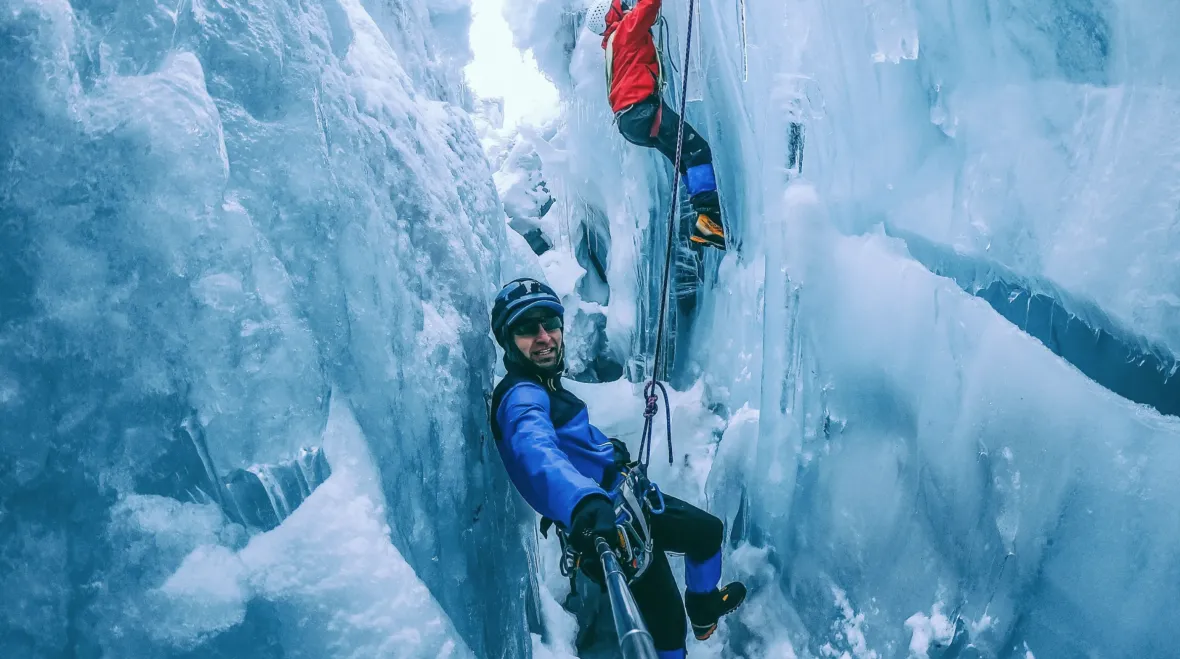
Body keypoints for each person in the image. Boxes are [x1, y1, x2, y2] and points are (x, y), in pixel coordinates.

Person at [488, 278, 746, 658]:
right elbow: (535, 451)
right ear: (508, 340)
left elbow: (567, 443)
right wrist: (582, 501)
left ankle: (703, 610)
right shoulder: (521, 396)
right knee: (667, 628)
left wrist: (608, 451)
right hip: (609, 529)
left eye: (550, 324)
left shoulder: (544, 386)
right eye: (527, 328)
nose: (544, 337)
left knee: (706, 532)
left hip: (627, 503)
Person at [584, 0, 727, 251]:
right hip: (643, 111)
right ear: (612, 14)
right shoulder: (625, 30)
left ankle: (707, 223)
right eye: (621, 5)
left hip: (631, 122)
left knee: (684, 159)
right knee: (697, 150)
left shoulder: (612, 45)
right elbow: (650, 5)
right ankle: (710, 220)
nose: (626, 7)